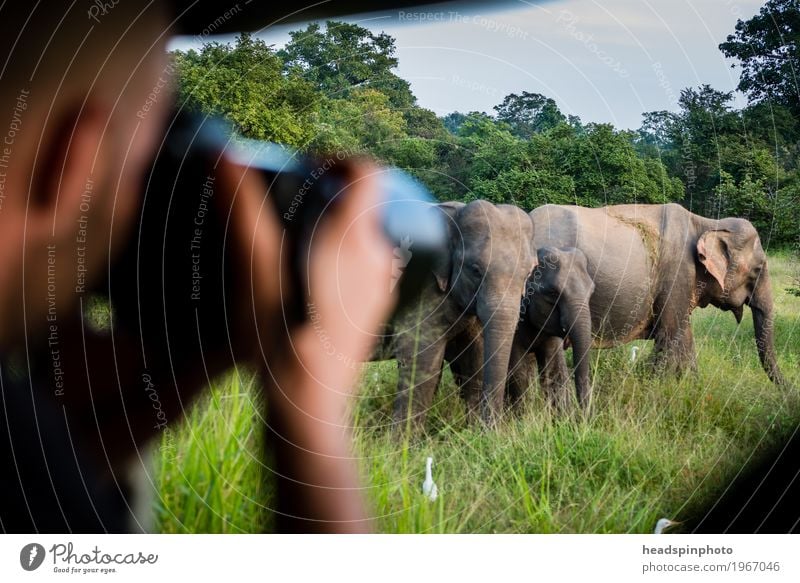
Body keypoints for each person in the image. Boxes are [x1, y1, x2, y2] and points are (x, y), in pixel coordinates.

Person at [0, 1, 402, 533]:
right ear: (76, 161)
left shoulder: (23, 441)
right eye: (144, 168)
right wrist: (309, 420)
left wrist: (73, 442)